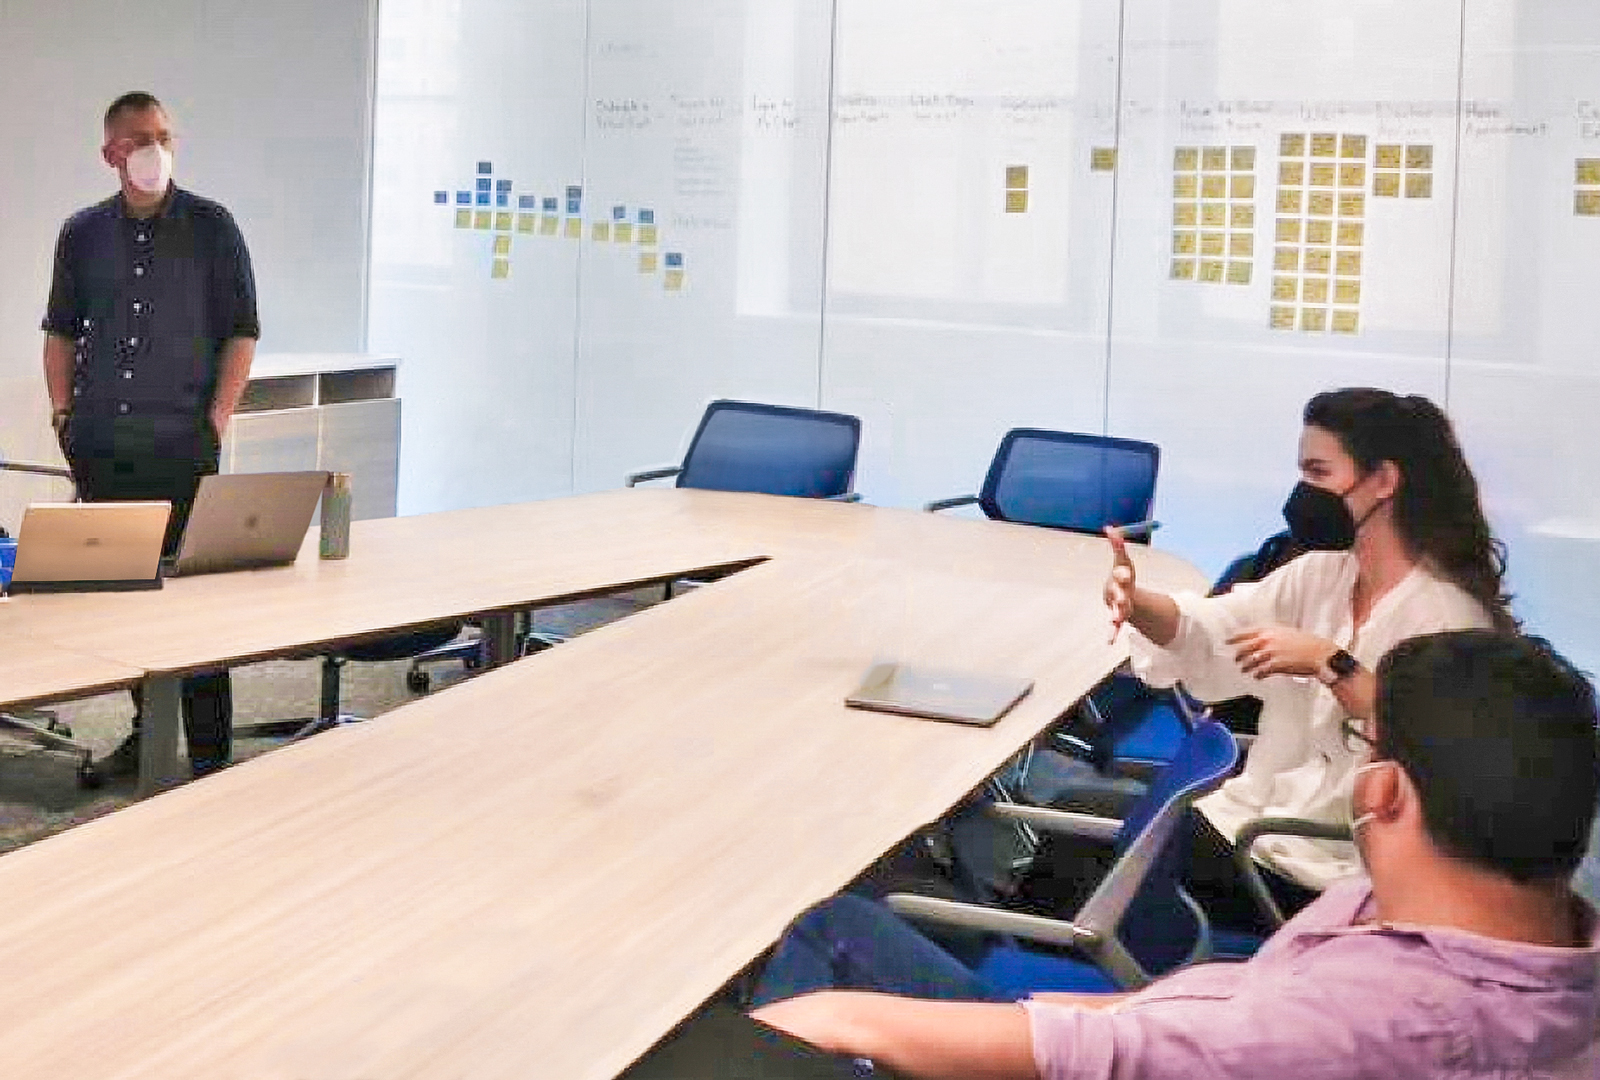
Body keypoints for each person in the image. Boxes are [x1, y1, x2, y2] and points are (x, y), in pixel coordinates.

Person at [748, 630, 1600, 1079]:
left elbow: (1156, 1056)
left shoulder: (1381, 1023)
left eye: (1365, 743)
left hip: (1121, 1049)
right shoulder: (1531, 939)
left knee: (812, 987)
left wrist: (846, 1021)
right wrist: (1082, 1014)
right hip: (1145, 1017)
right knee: (840, 930)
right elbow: (1205, 1025)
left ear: (1383, 793)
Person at [1099, 387, 1509, 923]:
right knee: (1081, 829)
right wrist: (1137, 603)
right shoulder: (1320, 575)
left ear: (1385, 482)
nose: (1303, 492)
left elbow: (1438, 761)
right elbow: (1213, 632)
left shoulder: (1447, 617)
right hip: (1254, 827)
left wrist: (1331, 663)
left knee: (1078, 853)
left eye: (1319, 473)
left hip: (1327, 873)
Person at [42, 91, 259, 778]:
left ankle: (210, 756)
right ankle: (148, 731)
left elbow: (241, 333)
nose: (154, 150)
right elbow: (60, 332)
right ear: (111, 153)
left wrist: (217, 421)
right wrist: (63, 416)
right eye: (139, 139)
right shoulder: (81, 234)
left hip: (181, 446)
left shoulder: (212, 227)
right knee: (125, 607)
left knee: (196, 607)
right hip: (104, 447)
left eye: (163, 136)